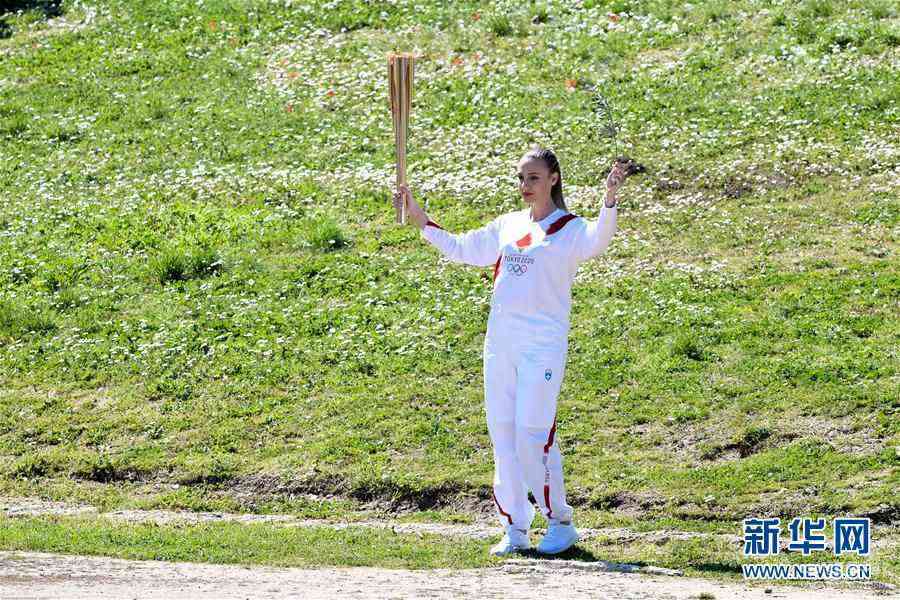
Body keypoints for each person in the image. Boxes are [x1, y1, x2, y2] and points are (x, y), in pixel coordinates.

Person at [392, 145, 626, 556]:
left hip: (543, 347)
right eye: (521, 178)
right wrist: (421, 220)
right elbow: (466, 249)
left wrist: (608, 199)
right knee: (504, 435)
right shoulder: (509, 225)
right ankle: (515, 528)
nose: (525, 186)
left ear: (553, 179)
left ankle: (560, 522)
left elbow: (598, 242)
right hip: (501, 346)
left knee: (532, 436)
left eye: (533, 178)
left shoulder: (570, 229)